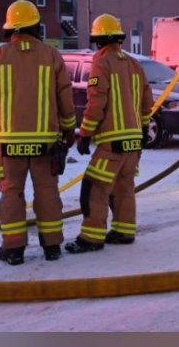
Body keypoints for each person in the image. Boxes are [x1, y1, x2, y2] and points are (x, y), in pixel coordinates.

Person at [0, 0, 76, 265]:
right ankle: (52, 245)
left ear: (11, 28)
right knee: (47, 192)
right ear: (36, 26)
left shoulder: (0, 56)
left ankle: (13, 249)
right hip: (46, 142)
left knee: (11, 193)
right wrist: (69, 129)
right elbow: (64, 96)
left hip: (8, 143)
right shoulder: (51, 55)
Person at [66, 14, 153, 253]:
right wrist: (143, 129)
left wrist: (85, 134)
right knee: (124, 186)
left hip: (111, 142)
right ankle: (124, 231)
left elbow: (96, 101)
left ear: (99, 40)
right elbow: (147, 100)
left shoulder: (101, 63)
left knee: (95, 187)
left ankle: (91, 238)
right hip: (133, 142)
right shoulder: (134, 64)